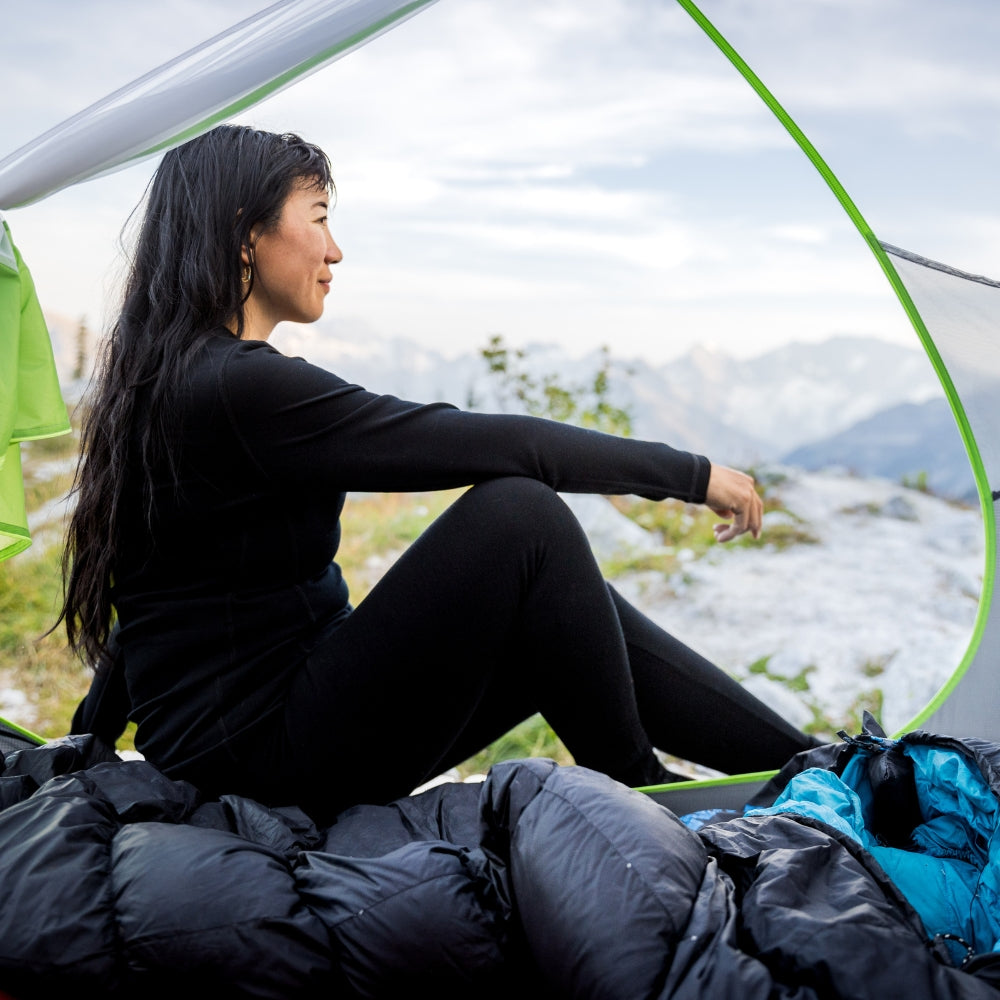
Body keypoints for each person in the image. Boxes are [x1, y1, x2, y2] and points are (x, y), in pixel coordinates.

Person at [58, 124, 816, 826]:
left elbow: (151, 596)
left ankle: (815, 767)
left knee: (558, 604)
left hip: (253, 737)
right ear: (244, 233)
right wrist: (691, 475)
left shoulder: (172, 377)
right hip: (269, 756)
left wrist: (85, 740)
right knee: (521, 517)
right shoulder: (234, 386)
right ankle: (648, 788)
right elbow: (495, 445)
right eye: (318, 217)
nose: (335, 250)